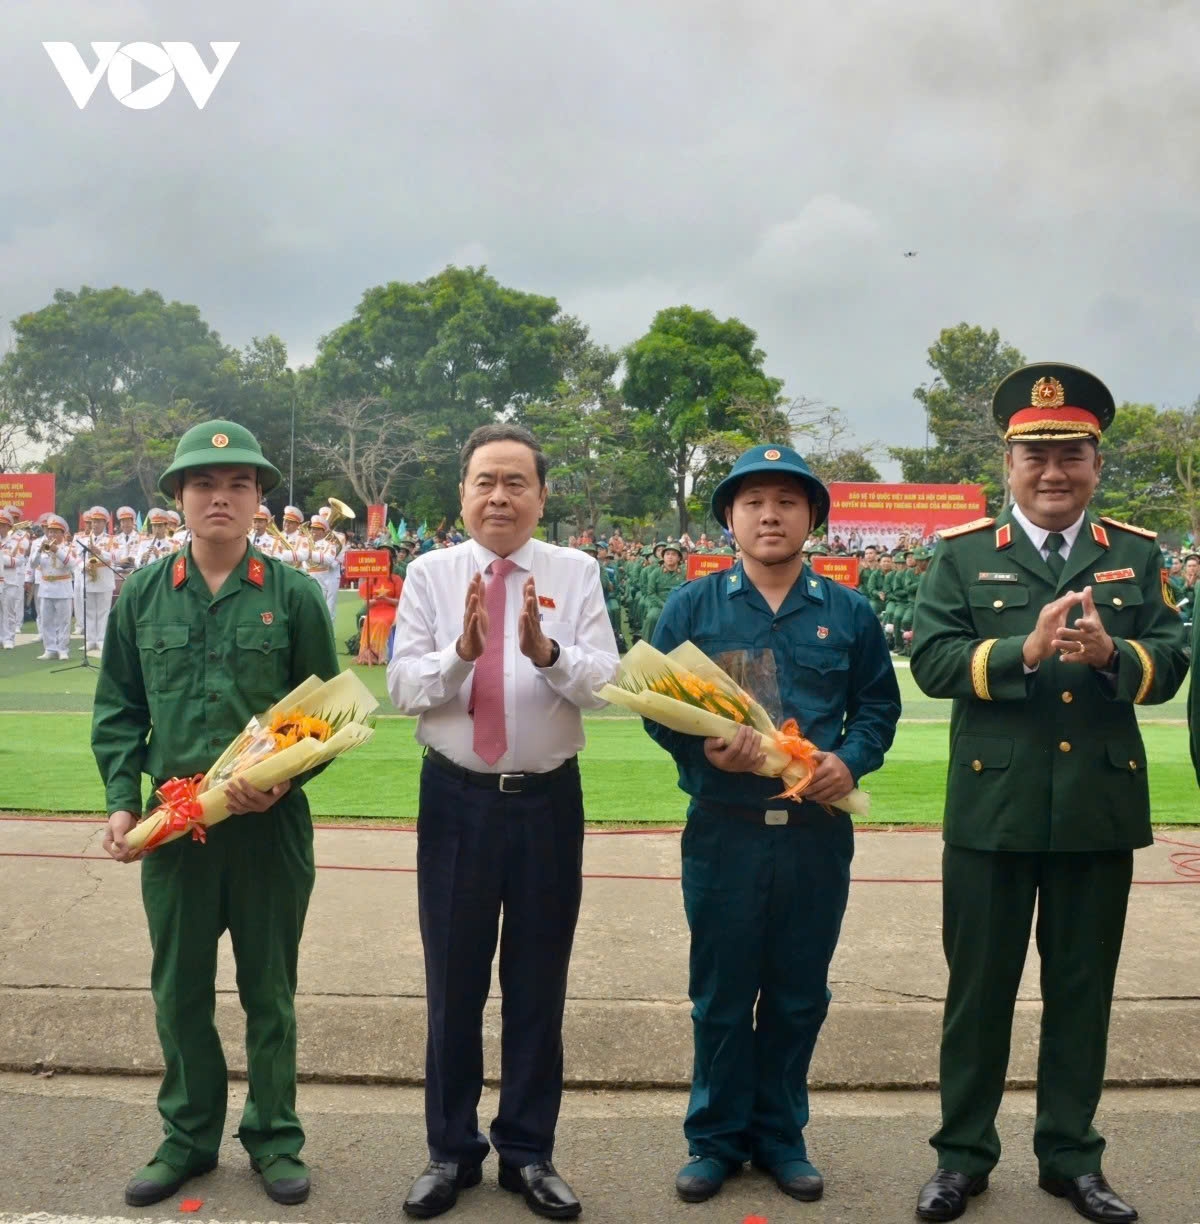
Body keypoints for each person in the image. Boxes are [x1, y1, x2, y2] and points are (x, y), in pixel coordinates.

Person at [910, 364, 1188, 1224]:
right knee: (978, 994)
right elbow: (932, 662)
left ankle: (1072, 1159)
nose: (1054, 472)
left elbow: (1173, 659)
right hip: (992, 811)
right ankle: (962, 1158)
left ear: (1097, 464)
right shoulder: (962, 553)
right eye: (1036, 457)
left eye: (1072, 455)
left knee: (1081, 993)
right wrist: (1020, 654)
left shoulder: (1135, 554)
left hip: (1098, 811)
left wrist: (1113, 657)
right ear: (1009, 465)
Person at [92, 420, 339, 1210]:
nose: (220, 497)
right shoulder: (142, 594)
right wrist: (121, 803)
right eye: (203, 483)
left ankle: (274, 1137)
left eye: (238, 484)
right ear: (179, 498)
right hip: (175, 830)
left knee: (270, 993)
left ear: (259, 498)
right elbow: (119, 710)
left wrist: (288, 782)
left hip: (268, 830)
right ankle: (188, 1137)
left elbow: (325, 717)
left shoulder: (294, 596)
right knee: (179, 992)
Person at [645, 444, 901, 1206]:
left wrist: (850, 762)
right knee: (721, 994)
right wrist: (702, 750)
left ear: (812, 518)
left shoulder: (848, 612)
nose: (769, 515)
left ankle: (782, 1136)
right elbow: (656, 709)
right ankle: (715, 1140)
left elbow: (877, 708)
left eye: (787, 502)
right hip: (723, 831)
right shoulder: (693, 608)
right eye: (753, 501)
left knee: (797, 995)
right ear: (728, 517)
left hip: (815, 833)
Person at [388, 423, 619, 1221]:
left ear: (541, 496)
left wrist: (548, 654)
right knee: (453, 983)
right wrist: (461, 652)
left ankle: (528, 1153)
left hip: (548, 802)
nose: (499, 496)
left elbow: (606, 684)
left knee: (537, 983)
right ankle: (450, 1152)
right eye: (485, 481)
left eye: (516, 482)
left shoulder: (575, 572)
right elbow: (402, 689)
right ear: (462, 493)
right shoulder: (430, 573)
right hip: (457, 800)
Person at [33, 515, 75, 659]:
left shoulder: (68, 548)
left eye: (56, 532)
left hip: (63, 588)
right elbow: (32, 564)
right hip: (46, 588)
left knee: (64, 621)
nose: (51, 535)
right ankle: (50, 649)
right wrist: (39, 551)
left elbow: (71, 564)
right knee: (46, 621)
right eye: (50, 531)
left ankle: (63, 649)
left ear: (62, 534)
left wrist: (56, 550)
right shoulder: (42, 548)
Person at [357, 550, 402, 665]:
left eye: (387, 562)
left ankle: (381, 655)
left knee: (382, 622)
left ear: (390, 563)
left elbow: (399, 601)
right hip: (375, 609)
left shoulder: (396, 579)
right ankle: (368, 655)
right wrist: (376, 600)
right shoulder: (372, 579)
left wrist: (386, 599)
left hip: (390, 609)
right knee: (368, 621)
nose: (384, 564)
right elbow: (367, 603)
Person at [0, 507, 30, 648]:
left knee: (9, 610)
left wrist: (3, 559)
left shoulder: (16, 541)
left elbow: (20, 560)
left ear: (8, 527)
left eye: (3, 525)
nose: (1, 528)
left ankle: (9, 639)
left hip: (10, 580)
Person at [304, 514, 343, 621]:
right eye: (312, 529)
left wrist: (311, 555)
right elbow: (302, 559)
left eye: (317, 529)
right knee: (310, 608)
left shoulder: (332, 542)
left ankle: (329, 630)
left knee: (328, 608)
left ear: (323, 531)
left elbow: (330, 559)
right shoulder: (306, 542)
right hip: (310, 574)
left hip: (327, 576)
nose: (313, 531)